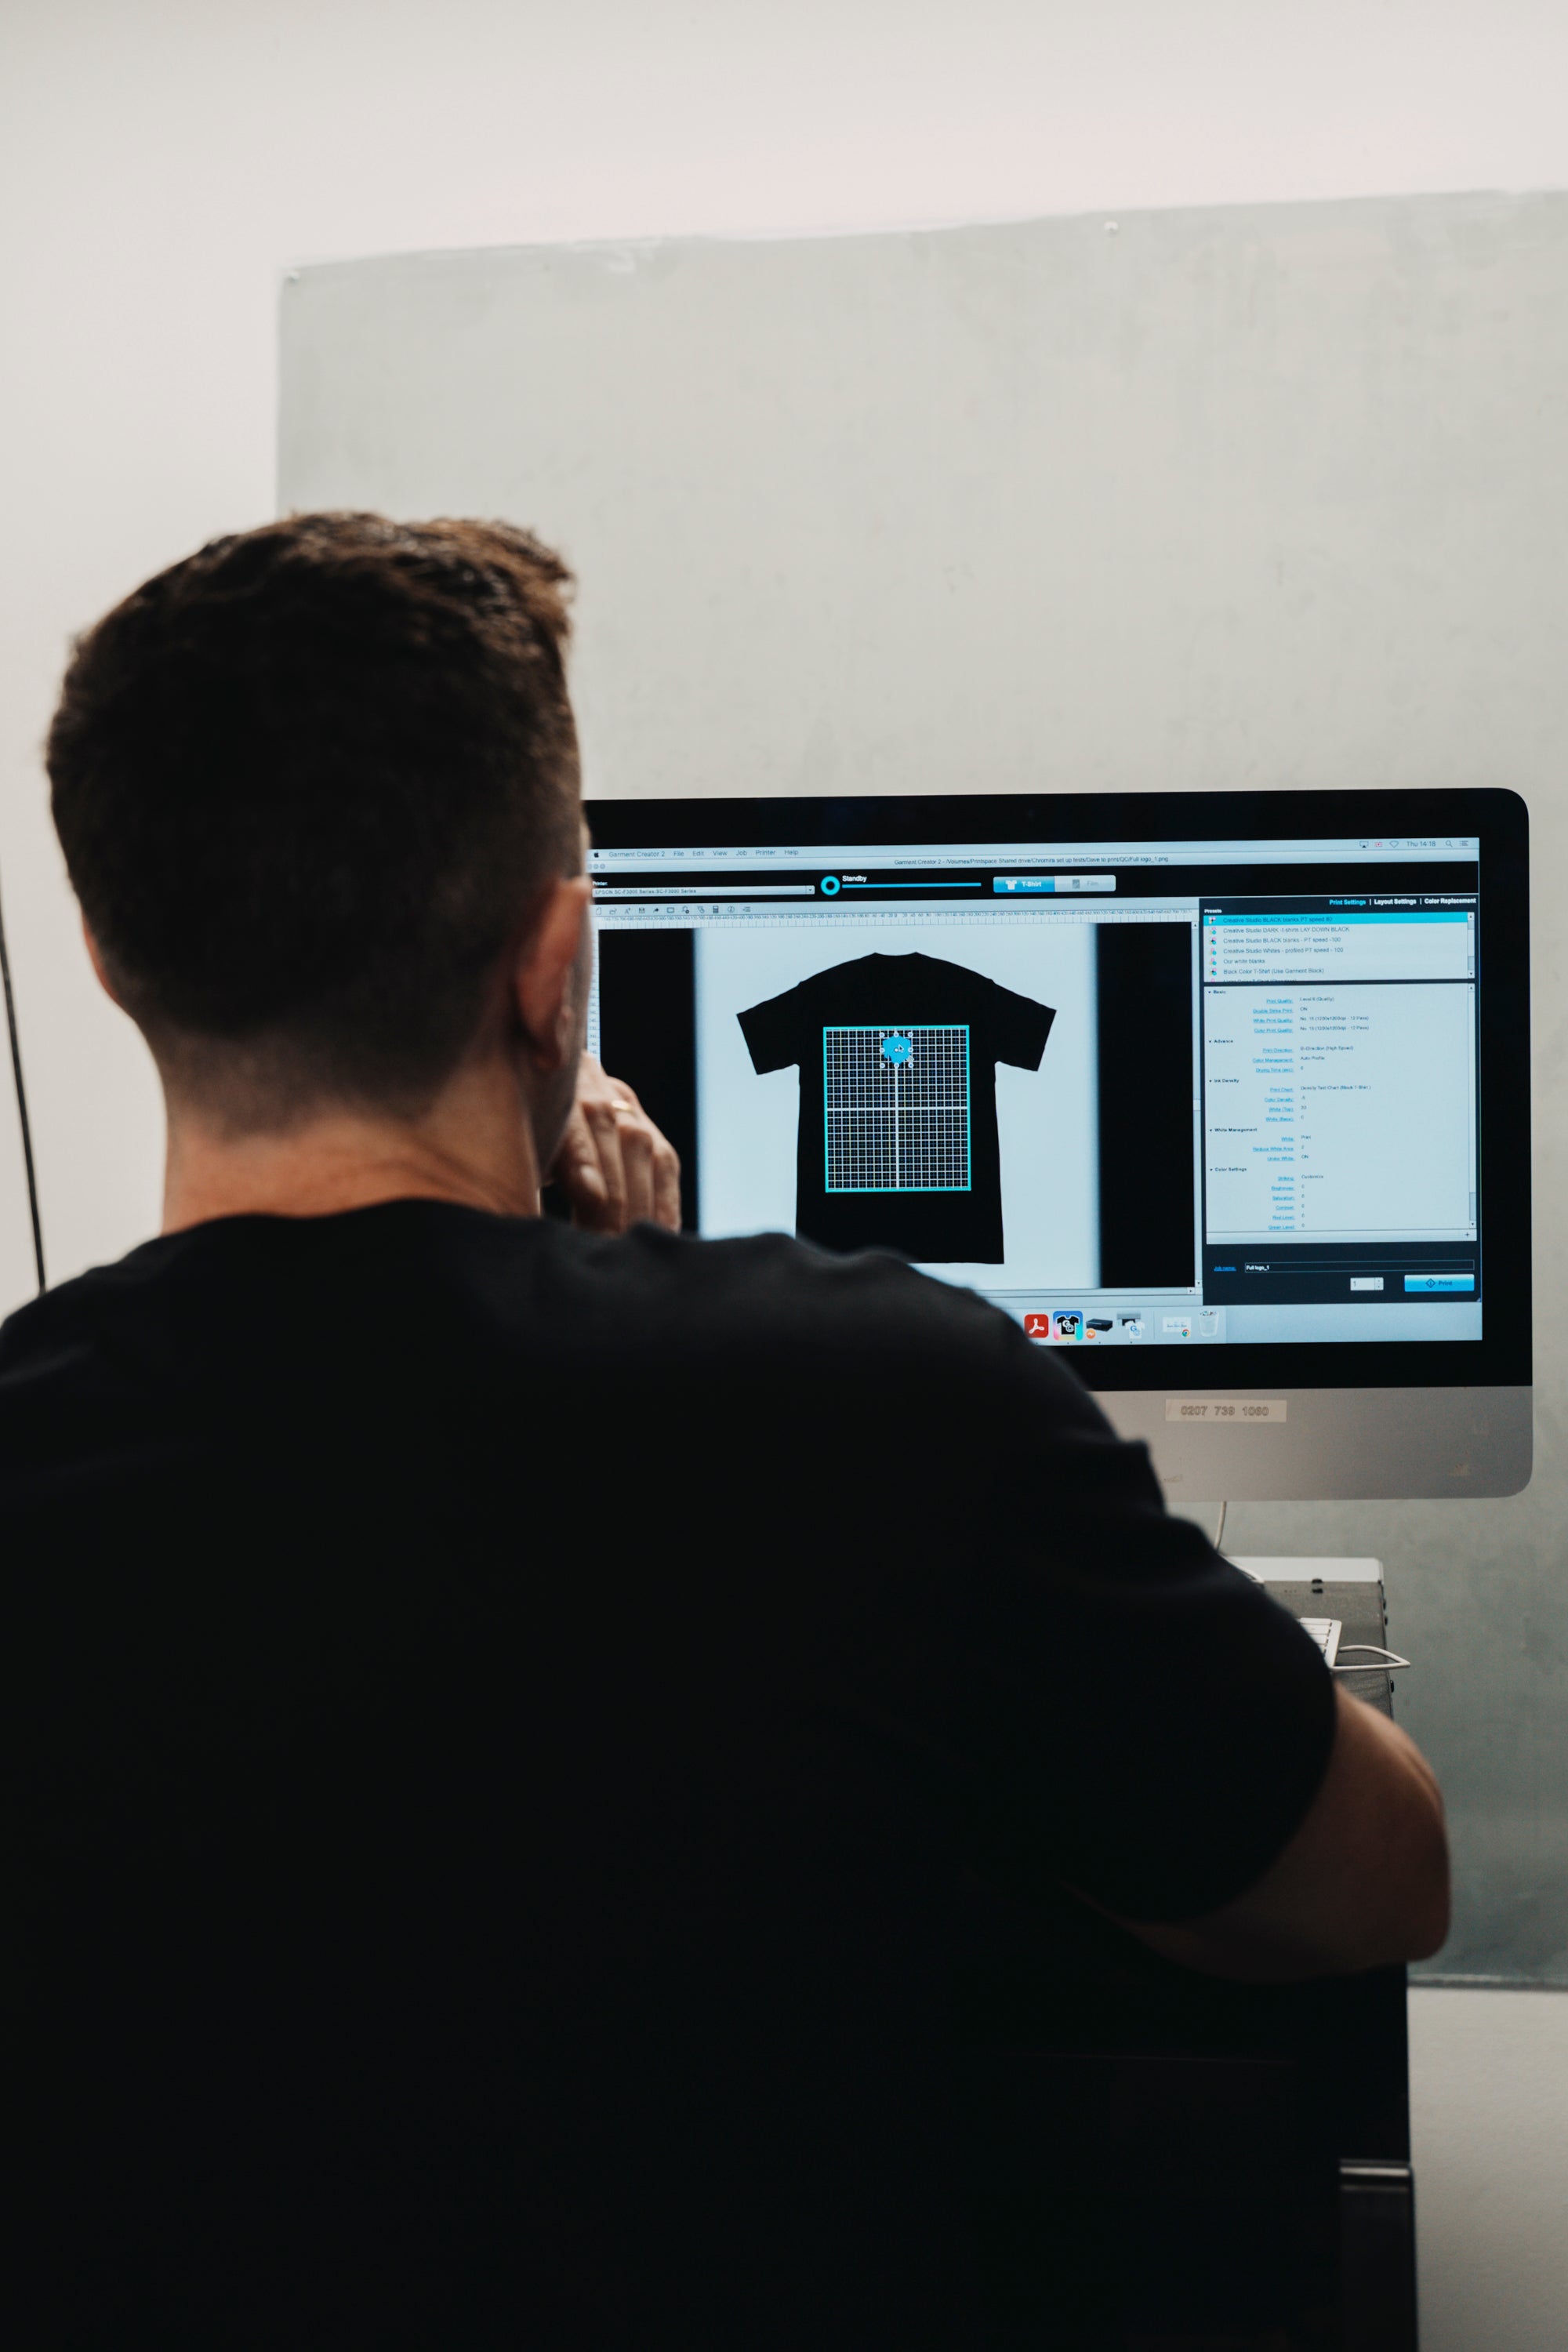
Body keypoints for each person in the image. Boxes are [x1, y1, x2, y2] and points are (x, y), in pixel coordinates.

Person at [0, 514, 1447, 2349]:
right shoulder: (888, 1406)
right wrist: (665, 1307)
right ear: (552, 965)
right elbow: (1377, 1878)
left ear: (112, 955)